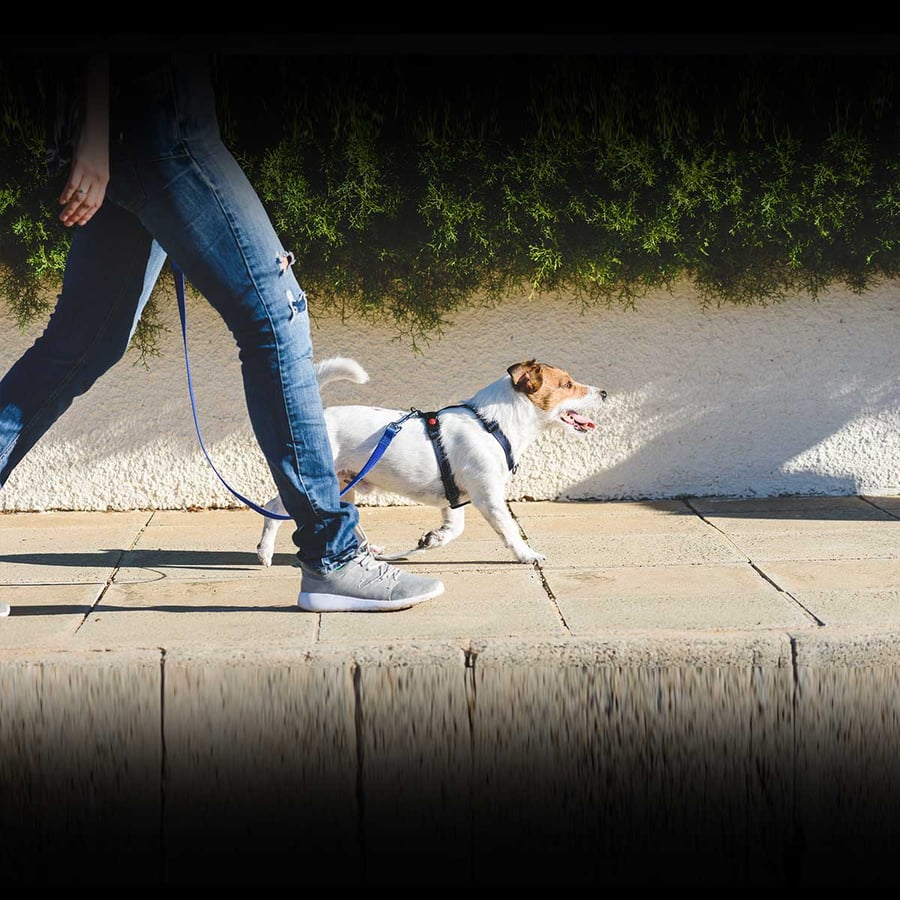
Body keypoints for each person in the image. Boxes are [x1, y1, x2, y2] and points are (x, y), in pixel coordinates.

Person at [0, 51, 444, 613]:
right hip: (162, 124)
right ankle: (333, 557)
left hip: (144, 127)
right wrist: (94, 132)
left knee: (82, 344)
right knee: (276, 320)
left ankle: (333, 557)